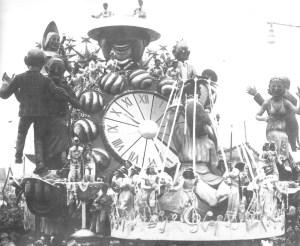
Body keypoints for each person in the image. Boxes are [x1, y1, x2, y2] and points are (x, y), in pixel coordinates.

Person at [0, 49, 72, 174]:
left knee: (21, 134)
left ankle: (18, 157)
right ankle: (40, 163)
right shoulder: (46, 80)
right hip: (41, 114)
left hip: (25, 113)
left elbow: (4, 95)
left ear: (27, 62)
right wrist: (66, 95)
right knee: (38, 139)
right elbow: (56, 92)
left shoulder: (19, 78)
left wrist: (5, 83)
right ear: (42, 64)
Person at [43, 57, 81, 170]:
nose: (55, 71)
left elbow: (77, 104)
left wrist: (67, 96)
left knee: (60, 149)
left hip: (60, 122)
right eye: (53, 69)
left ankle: (59, 168)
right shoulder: (43, 84)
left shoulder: (64, 86)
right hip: (45, 122)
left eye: (59, 69)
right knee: (46, 150)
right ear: (47, 69)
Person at [256, 77, 300, 165]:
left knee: (284, 153)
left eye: (279, 87)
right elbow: (257, 115)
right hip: (272, 130)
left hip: (283, 131)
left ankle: (286, 167)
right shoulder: (267, 102)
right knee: (276, 150)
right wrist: (264, 118)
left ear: (283, 88)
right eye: (274, 87)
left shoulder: (287, 102)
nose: (276, 89)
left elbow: (298, 111)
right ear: (270, 89)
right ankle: (277, 167)